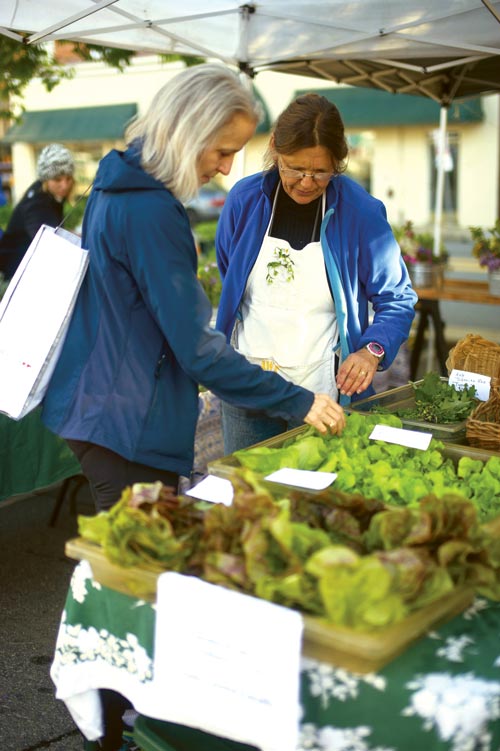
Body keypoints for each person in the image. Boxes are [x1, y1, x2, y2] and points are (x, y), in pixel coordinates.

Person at [41, 64, 345, 517]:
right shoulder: (151, 211)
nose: (226, 168)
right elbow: (197, 349)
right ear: (188, 133)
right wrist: (298, 400)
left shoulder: (117, 183)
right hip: (127, 420)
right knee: (137, 568)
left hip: (101, 406)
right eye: (223, 151)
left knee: (131, 559)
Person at [215, 92, 418, 454]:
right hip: (248, 390)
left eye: (320, 171)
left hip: (323, 395)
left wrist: (371, 351)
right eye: (294, 168)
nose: (307, 182)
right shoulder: (244, 202)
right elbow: (230, 275)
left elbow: (397, 300)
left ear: (338, 163)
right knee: (249, 498)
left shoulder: (361, 214)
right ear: (275, 149)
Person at [0, 143, 74, 278]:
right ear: (45, 179)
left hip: (26, 268)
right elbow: (50, 243)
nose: (64, 185)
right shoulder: (37, 204)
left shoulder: (48, 194)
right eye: (57, 179)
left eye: (68, 178)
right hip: (17, 275)